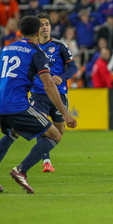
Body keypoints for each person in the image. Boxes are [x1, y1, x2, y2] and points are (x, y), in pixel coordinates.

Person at [0, 16, 77, 194]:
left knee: (13, 133)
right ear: (38, 32)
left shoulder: (7, 48)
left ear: (20, 31)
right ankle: (21, 170)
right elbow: (49, 85)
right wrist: (66, 114)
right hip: (17, 104)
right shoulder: (37, 53)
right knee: (55, 134)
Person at [29, 13, 78, 173]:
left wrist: (61, 77)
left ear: (50, 27)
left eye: (47, 24)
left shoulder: (59, 45)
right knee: (42, 126)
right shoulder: (31, 48)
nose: (45, 27)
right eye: (42, 24)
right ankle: (46, 162)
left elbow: (73, 68)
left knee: (58, 132)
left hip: (58, 94)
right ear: (37, 28)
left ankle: (44, 156)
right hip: (38, 93)